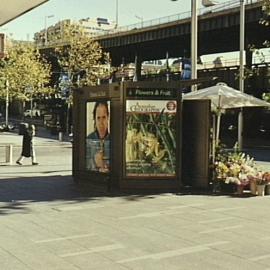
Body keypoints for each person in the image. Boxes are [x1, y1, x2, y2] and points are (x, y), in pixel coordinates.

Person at [87, 101, 110, 172]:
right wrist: (95, 163)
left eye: (104, 117)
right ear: (94, 119)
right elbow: (85, 166)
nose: (101, 123)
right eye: (98, 118)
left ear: (108, 118)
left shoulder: (115, 139)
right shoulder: (89, 140)